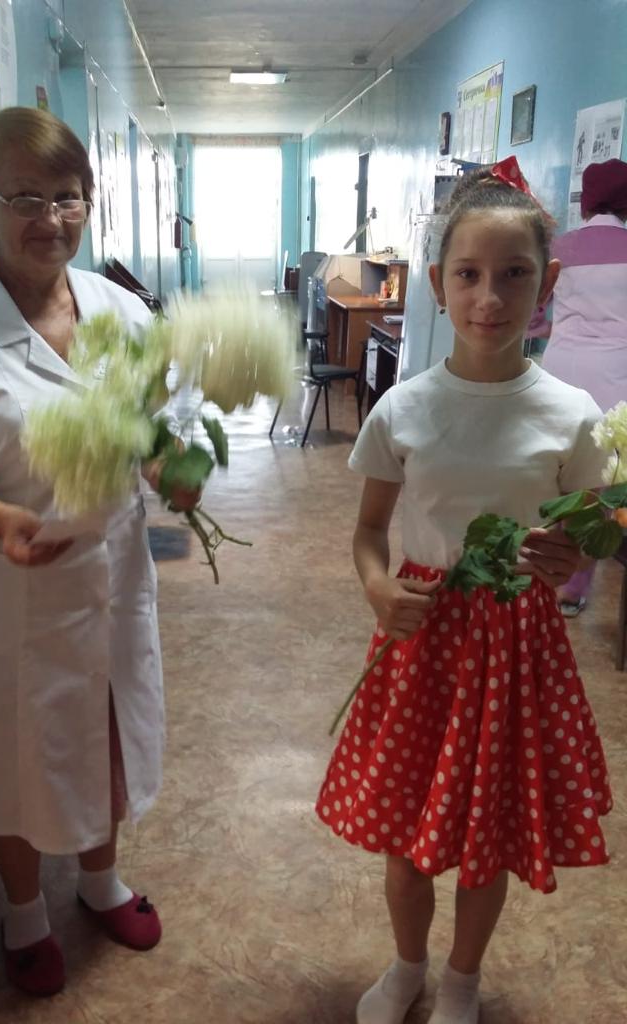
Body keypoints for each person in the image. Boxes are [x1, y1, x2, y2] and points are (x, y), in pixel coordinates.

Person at [0, 106, 196, 997]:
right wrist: (0, 522)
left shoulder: (119, 310)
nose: (50, 218)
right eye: (25, 197)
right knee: (7, 750)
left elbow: (163, 420)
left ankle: (101, 882)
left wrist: (173, 466)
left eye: (68, 196)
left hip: (110, 574)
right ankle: (24, 912)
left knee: (105, 734)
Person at [316, 158, 612, 1024]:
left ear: (546, 285)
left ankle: (462, 981)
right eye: (468, 275)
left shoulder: (572, 414)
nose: (490, 298)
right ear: (438, 285)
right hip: (421, 642)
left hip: (518, 648)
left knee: (489, 835)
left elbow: (588, 533)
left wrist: (569, 556)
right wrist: (378, 590)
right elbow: (369, 533)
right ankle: (407, 965)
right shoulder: (402, 410)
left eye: (514, 275)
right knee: (408, 833)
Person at [541, 157, 627, 616]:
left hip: (561, 370)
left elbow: (533, 311)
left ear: (587, 202)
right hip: (616, 375)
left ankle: (546, 572)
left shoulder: (561, 247)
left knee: (558, 473)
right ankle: (575, 586)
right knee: (603, 483)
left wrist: (548, 328)